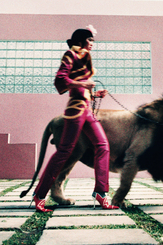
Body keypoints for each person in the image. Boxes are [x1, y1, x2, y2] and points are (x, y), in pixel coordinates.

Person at [32, 25, 119, 212]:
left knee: (103, 146)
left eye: (93, 41)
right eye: (90, 41)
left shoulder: (85, 57)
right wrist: (84, 83)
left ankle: (101, 192)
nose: (92, 44)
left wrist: (95, 95)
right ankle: (40, 194)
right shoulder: (70, 55)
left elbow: (81, 89)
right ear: (81, 41)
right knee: (64, 152)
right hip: (75, 110)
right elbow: (60, 80)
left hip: (87, 109)